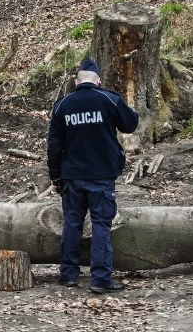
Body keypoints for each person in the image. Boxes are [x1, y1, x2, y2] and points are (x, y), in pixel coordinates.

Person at [46, 57, 139, 294]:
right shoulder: (109, 99)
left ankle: (68, 275)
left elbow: (54, 146)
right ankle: (100, 279)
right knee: (100, 225)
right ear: (97, 80)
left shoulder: (62, 105)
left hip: (72, 177)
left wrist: (55, 177)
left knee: (72, 225)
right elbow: (130, 125)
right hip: (101, 176)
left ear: (77, 81)